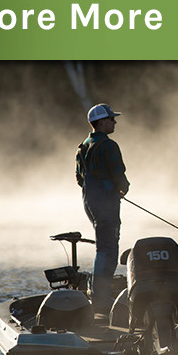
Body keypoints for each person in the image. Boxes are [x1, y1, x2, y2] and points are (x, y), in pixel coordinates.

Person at [75, 103, 130, 315]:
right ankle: (101, 298)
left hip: (89, 201)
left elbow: (79, 179)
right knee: (108, 248)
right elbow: (119, 174)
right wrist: (122, 189)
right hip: (106, 202)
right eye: (111, 119)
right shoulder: (108, 145)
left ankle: (99, 293)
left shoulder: (83, 146)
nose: (114, 122)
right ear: (101, 122)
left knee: (103, 245)